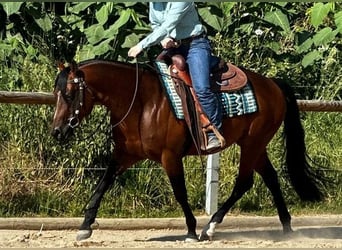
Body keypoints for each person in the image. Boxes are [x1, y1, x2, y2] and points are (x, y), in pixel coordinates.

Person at [128, 2, 223, 152]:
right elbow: (156, 24)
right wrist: (163, 40)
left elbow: (168, 24)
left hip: (195, 45)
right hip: (174, 47)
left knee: (201, 88)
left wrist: (141, 45)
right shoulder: (154, 3)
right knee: (154, 81)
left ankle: (213, 130)